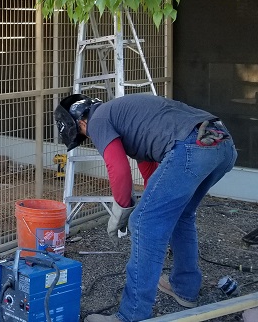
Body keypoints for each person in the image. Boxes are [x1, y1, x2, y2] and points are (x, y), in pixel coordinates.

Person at [54, 93, 237, 322]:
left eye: (82, 135)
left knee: (143, 223)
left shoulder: (98, 119)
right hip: (221, 144)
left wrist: (122, 211)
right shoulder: (128, 116)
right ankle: (184, 288)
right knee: (181, 215)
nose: (89, 137)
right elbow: (150, 168)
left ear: (81, 122)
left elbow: (119, 169)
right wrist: (153, 203)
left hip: (194, 146)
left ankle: (131, 315)